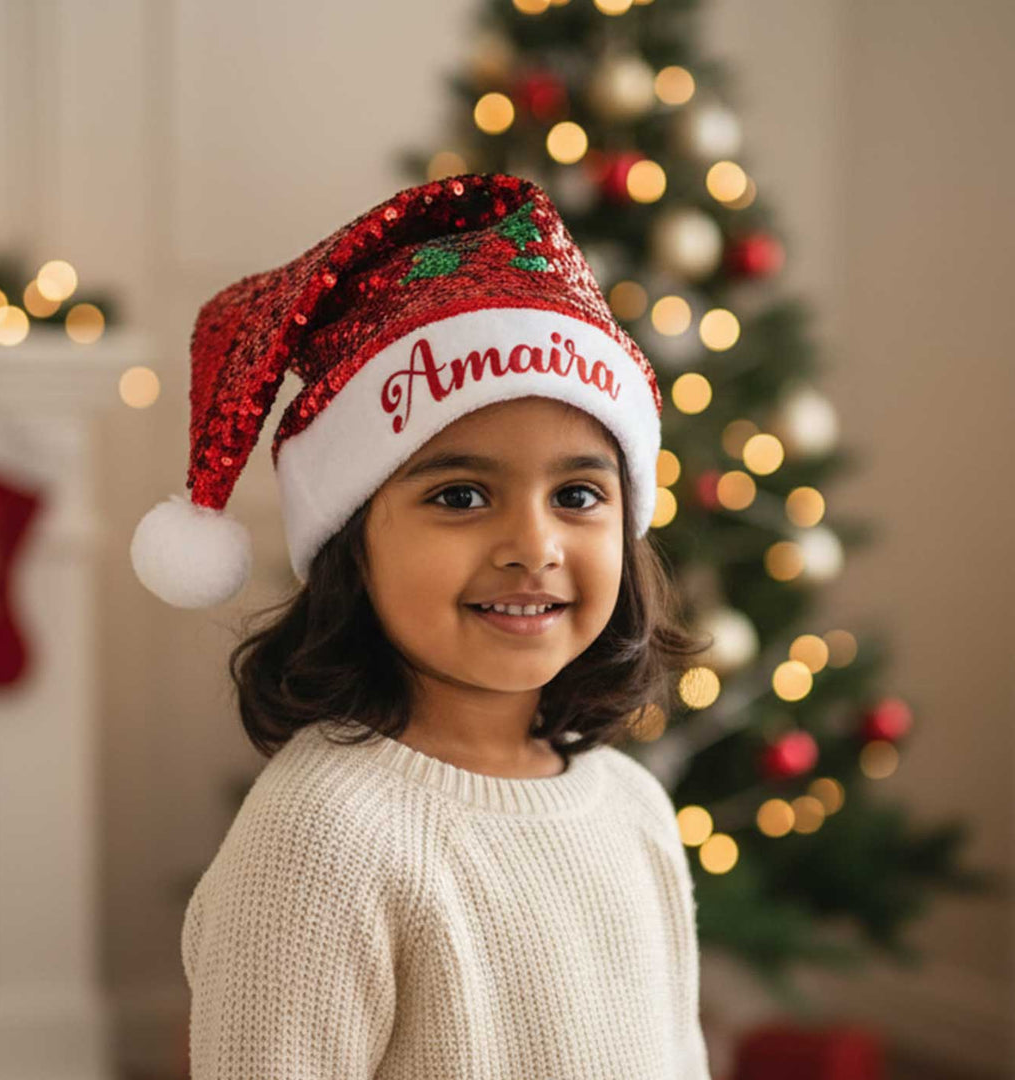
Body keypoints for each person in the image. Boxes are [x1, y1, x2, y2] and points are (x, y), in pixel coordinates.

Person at [130, 173, 714, 1079]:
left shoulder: (633, 807)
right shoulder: (320, 841)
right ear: (351, 544)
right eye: (461, 494)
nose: (534, 545)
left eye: (578, 495)